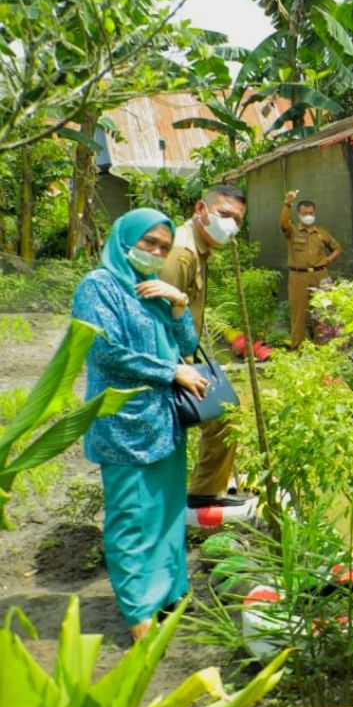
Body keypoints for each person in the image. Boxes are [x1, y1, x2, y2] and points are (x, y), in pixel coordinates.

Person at [71, 209, 207, 641]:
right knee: (131, 517)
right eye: (148, 242)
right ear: (125, 237)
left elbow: (186, 345)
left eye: (164, 247)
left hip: (163, 421)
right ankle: (138, 613)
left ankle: (168, 592)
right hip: (123, 422)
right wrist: (171, 372)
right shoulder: (99, 286)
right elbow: (105, 351)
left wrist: (179, 304)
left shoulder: (150, 288)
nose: (155, 252)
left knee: (166, 514)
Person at [159, 183, 248, 509]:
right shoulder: (182, 252)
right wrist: (175, 368)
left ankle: (206, 490)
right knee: (223, 413)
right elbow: (158, 315)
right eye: (224, 214)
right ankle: (201, 493)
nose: (231, 225)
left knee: (226, 411)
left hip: (181, 353)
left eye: (238, 220)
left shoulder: (197, 248)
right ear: (201, 209)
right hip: (166, 361)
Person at [281, 190, 342, 349]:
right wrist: (287, 204)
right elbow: (283, 224)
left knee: (324, 312)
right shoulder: (293, 231)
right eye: (305, 213)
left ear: (315, 213)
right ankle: (297, 350)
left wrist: (328, 259)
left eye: (311, 213)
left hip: (321, 275)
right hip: (298, 276)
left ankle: (324, 349)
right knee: (298, 314)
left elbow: (337, 248)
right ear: (299, 214)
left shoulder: (322, 233)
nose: (308, 215)